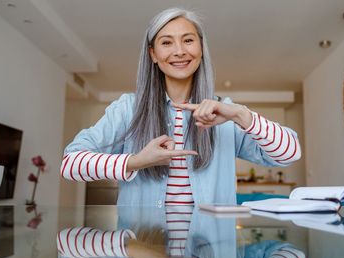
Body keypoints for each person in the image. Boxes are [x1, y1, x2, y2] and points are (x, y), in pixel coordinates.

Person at [61, 7, 301, 206]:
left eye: (188, 40)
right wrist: (136, 161)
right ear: (153, 54)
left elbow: (289, 154)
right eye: (167, 42)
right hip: (142, 254)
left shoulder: (224, 113)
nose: (179, 51)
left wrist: (240, 114)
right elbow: (70, 164)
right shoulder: (128, 108)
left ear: (200, 49)